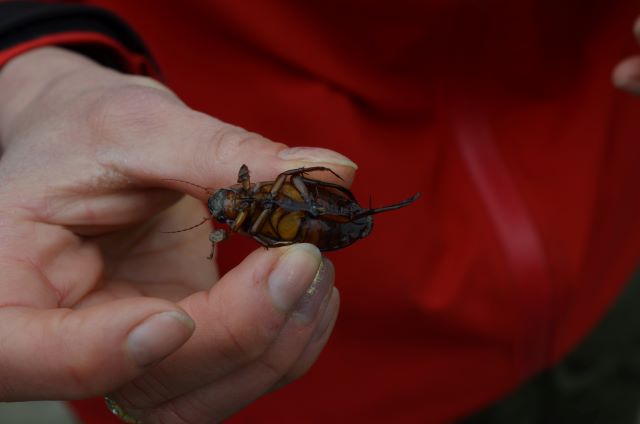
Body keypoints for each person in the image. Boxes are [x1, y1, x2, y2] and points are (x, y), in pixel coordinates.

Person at [0, 1, 639, 423]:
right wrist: (28, 58)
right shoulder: (236, 206)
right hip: (343, 386)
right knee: (309, 211)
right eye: (218, 206)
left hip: (603, 245)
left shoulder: (241, 203)